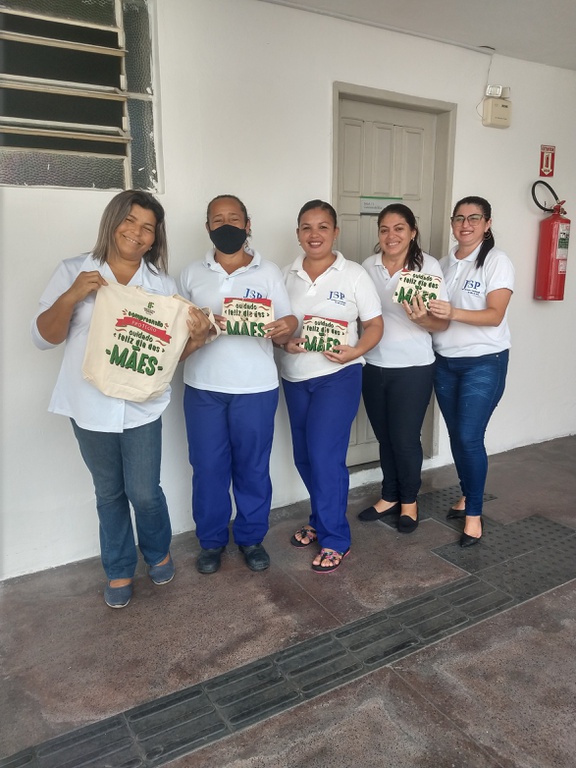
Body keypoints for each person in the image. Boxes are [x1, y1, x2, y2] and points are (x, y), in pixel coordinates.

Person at [32, 190, 211, 608]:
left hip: (141, 407)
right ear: (112, 221)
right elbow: (43, 338)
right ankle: (118, 567)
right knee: (109, 492)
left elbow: (164, 359)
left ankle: (158, 551)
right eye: (130, 220)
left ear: (154, 239)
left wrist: (198, 339)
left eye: (148, 228)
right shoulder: (74, 270)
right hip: (87, 406)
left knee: (145, 492)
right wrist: (72, 295)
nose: (136, 232)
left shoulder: (163, 286)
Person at [179, 194, 297, 575]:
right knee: (207, 468)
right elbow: (176, 332)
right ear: (207, 227)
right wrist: (200, 325)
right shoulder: (190, 274)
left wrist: (288, 325)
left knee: (253, 467)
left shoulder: (269, 272)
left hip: (256, 388)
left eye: (234, 218)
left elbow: (285, 326)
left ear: (248, 225)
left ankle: (251, 537)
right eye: (218, 219)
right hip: (203, 387)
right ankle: (211, 541)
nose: (226, 225)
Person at [281, 200, 383, 573]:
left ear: (335, 232)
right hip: (295, 377)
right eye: (307, 227)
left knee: (325, 458)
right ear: (298, 233)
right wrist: (284, 343)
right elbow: (278, 327)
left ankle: (335, 538)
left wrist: (356, 350)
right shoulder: (285, 275)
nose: (315, 234)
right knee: (305, 457)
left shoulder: (353, 274)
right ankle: (320, 518)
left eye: (323, 227)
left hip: (339, 377)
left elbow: (374, 325)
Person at [429, 196, 514, 546]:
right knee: (457, 436)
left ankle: (474, 514)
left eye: (474, 218)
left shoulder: (496, 261)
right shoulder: (443, 265)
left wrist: (452, 312)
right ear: (452, 223)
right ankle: (467, 495)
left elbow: (495, 315)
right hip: (445, 362)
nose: (466, 225)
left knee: (468, 437)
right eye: (459, 218)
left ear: (487, 223)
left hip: (484, 361)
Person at [359, 204, 449, 532]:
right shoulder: (367, 267)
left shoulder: (429, 267)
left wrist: (422, 319)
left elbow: (442, 324)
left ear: (412, 232)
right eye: (384, 229)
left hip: (413, 368)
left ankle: (409, 501)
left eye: (399, 228)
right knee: (385, 437)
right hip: (373, 364)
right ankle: (389, 496)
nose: (391, 235)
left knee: (405, 438)